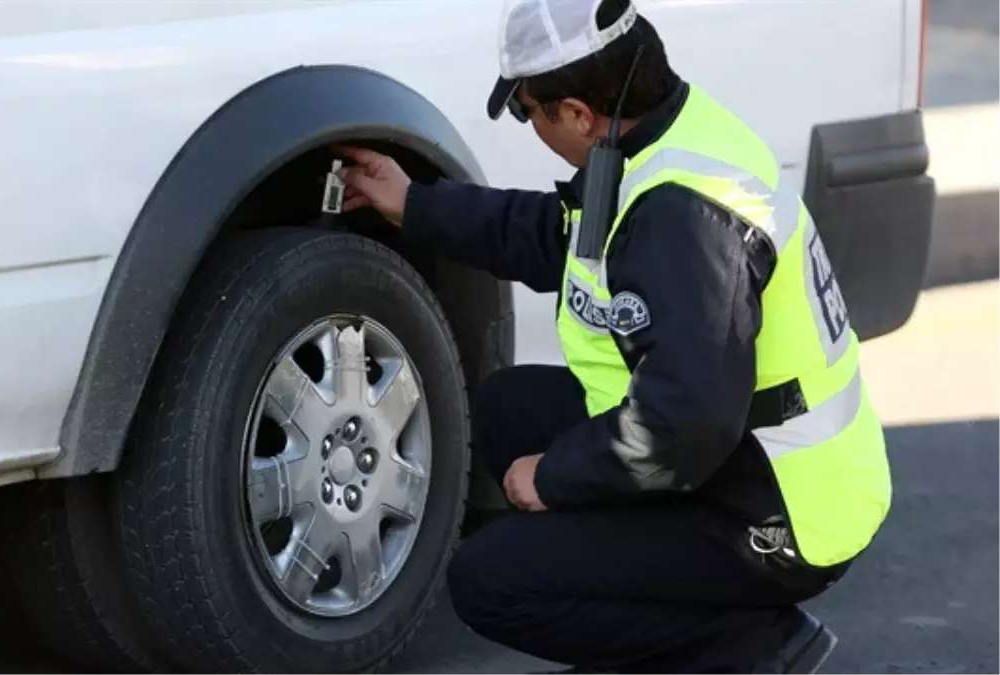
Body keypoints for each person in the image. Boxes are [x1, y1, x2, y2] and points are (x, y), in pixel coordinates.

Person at [333, 0, 893, 673]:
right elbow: (560, 239)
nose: (529, 126)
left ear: (575, 112)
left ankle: (749, 650)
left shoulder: (687, 219)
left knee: (490, 580)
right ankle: (677, 615)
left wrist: (555, 476)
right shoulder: (658, 140)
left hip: (781, 508)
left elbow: (683, 422)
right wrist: (415, 202)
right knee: (511, 406)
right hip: (741, 450)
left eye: (526, 110)